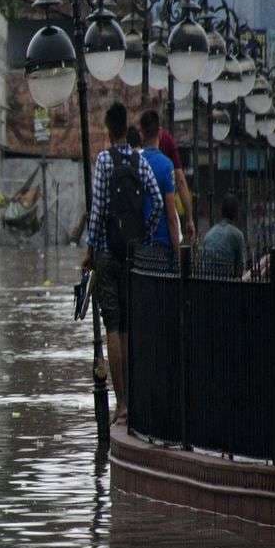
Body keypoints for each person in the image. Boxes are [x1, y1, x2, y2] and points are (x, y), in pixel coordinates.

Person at [82, 101, 163, 426]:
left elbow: (98, 210)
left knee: (112, 327)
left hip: (106, 254)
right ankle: (135, 397)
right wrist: (143, 234)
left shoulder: (103, 161)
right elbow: (156, 201)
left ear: (107, 128)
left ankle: (122, 405)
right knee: (129, 326)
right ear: (125, 128)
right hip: (132, 253)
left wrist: (91, 250)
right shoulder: (139, 159)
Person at [139, 110, 181, 252]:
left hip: (140, 246)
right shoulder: (166, 165)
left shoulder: (135, 163)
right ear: (160, 132)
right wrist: (177, 252)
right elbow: (171, 215)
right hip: (162, 244)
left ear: (142, 133)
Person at [158, 127, 196, 242]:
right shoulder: (165, 138)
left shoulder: (137, 141)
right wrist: (190, 219)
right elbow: (180, 181)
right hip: (165, 217)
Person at [202, 193, 247, 277]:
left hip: (208, 281)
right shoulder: (237, 235)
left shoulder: (209, 233)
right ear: (236, 213)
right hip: (227, 283)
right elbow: (240, 267)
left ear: (221, 211)